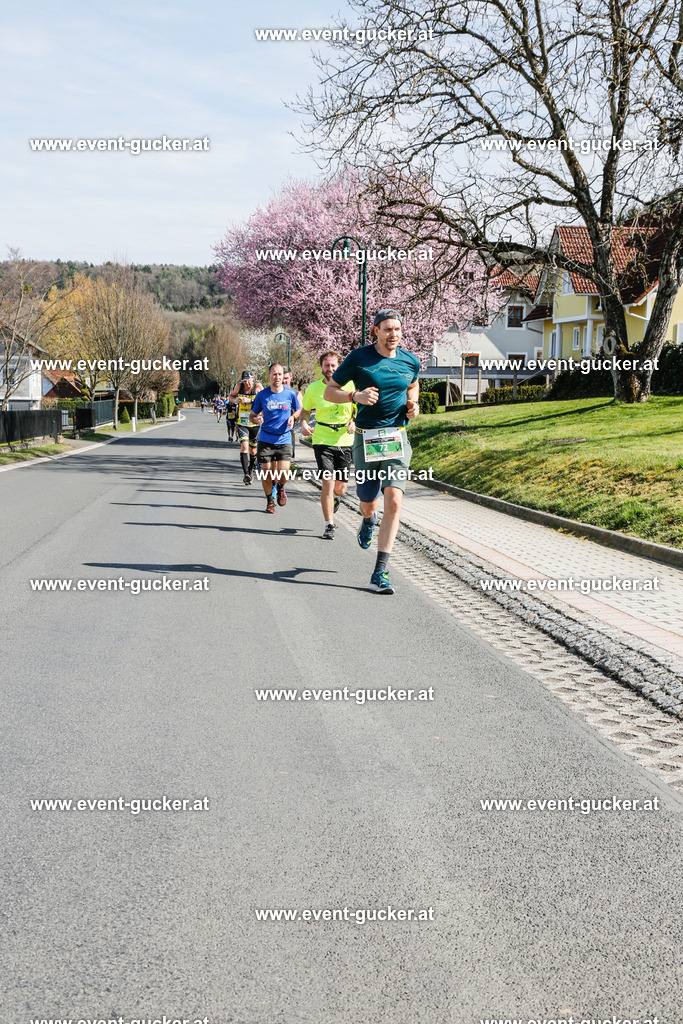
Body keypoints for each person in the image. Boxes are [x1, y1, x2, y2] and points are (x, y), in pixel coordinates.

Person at [324, 309, 420, 594]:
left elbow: (413, 386)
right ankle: (367, 519)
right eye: (388, 329)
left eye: (398, 329)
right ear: (376, 331)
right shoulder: (358, 358)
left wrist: (413, 405)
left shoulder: (409, 360)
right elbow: (330, 392)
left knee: (393, 501)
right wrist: (355, 396)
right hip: (366, 438)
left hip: (397, 437)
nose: (394, 335)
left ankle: (380, 572)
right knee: (369, 501)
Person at [300, 350, 355, 540]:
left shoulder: (350, 385)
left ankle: (336, 499)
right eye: (326, 365)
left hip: (345, 440)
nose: (330, 369)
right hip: (322, 439)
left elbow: (359, 408)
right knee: (327, 483)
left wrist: (354, 421)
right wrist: (304, 423)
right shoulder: (314, 388)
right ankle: (329, 525)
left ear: (339, 366)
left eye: (333, 365)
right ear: (321, 366)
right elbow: (305, 411)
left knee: (340, 489)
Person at [249, 363, 300, 513]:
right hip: (266, 439)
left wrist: (293, 417)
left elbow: (298, 410)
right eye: (274, 374)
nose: (277, 377)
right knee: (267, 473)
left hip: (284, 438)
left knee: (284, 472)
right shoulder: (262, 395)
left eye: (280, 374)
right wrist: (256, 419)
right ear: (269, 376)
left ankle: (281, 486)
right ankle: (270, 501)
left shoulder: (290, 394)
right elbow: (252, 415)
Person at [230, 371, 262, 484]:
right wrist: (235, 400)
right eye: (244, 381)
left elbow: (264, 400)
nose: (247, 383)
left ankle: (251, 469)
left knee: (253, 451)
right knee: (244, 446)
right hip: (242, 422)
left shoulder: (258, 387)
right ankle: (246, 475)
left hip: (255, 423)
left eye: (248, 380)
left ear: (253, 378)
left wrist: (250, 401)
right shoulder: (239, 387)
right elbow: (231, 396)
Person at [282, 370, 303, 459]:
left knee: (286, 460)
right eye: (282, 378)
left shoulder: (296, 393)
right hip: (272, 432)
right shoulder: (272, 392)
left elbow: (301, 410)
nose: (283, 381)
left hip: (288, 431)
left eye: (286, 378)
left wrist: (293, 417)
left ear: (291, 378)